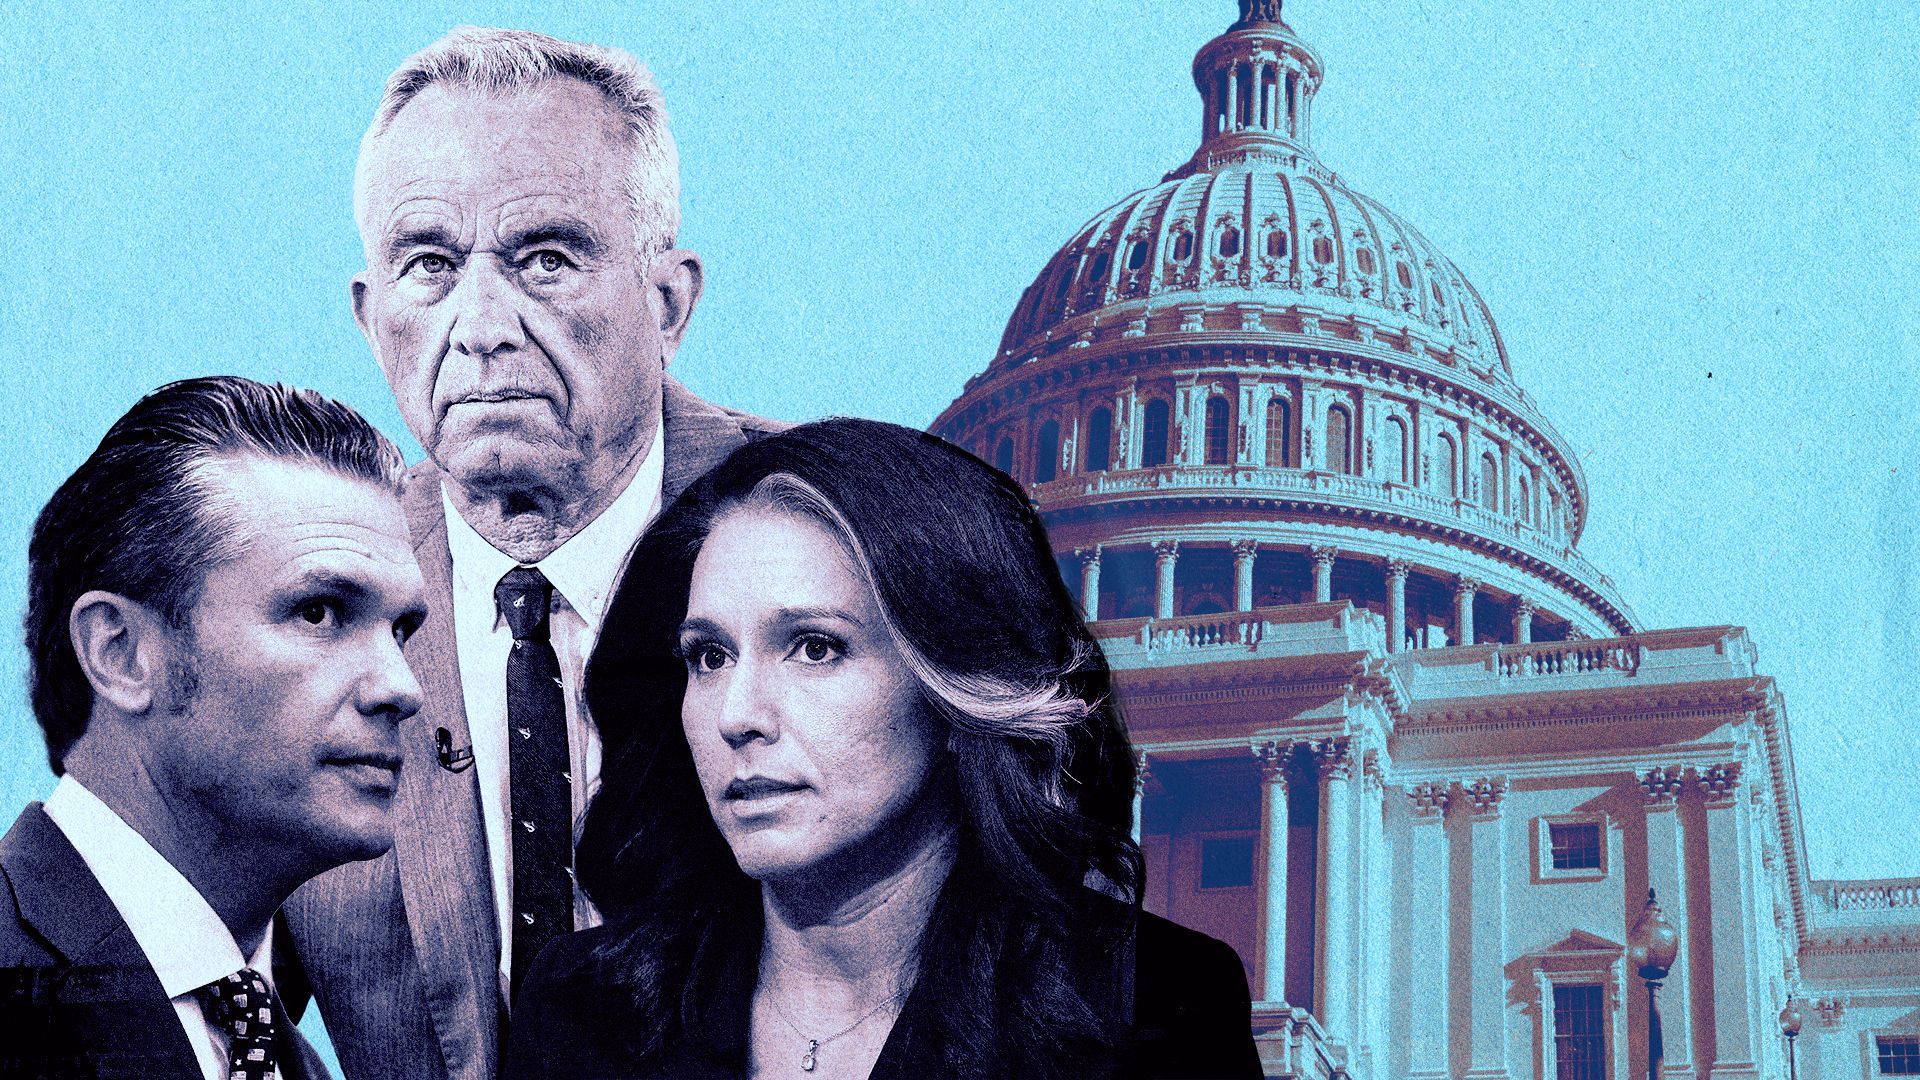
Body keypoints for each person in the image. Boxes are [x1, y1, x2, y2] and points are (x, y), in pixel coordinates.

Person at [282, 26, 783, 1080]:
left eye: (544, 258)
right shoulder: (298, 602)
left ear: (668, 303)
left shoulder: (838, 539)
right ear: (373, 323)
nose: (480, 326)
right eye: (429, 266)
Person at [503, 419, 1261, 1080]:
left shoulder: (1154, 1003)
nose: (738, 715)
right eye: (709, 656)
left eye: (814, 648)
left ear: (954, 688)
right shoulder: (578, 1005)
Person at [0, 376, 426, 1080]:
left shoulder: (280, 1054)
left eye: (403, 628)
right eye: (320, 612)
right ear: (121, 654)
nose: (402, 687)